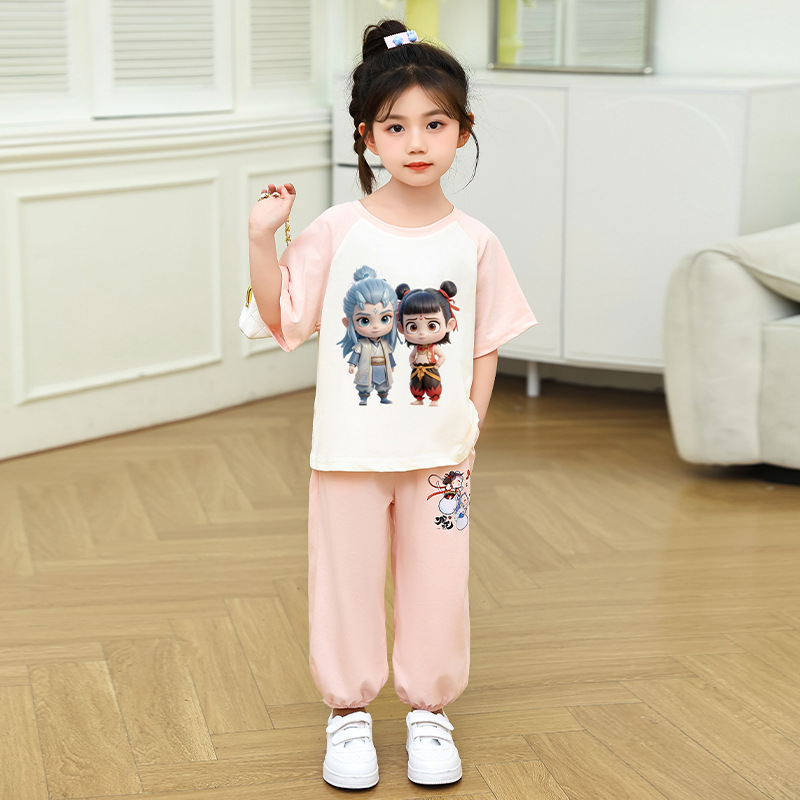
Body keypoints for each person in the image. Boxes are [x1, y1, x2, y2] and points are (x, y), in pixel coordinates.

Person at [247, 18, 537, 791]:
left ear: (463, 131)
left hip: (442, 453)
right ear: (367, 136)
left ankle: (429, 712)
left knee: (439, 581)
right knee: (344, 579)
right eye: (395, 126)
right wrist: (261, 239)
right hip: (349, 450)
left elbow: (486, 342)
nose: (416, 142)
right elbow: (283, 318)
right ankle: (348, 714)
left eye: (434, 124)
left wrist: (470, 424)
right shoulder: (338, 230)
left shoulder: (476, 241)